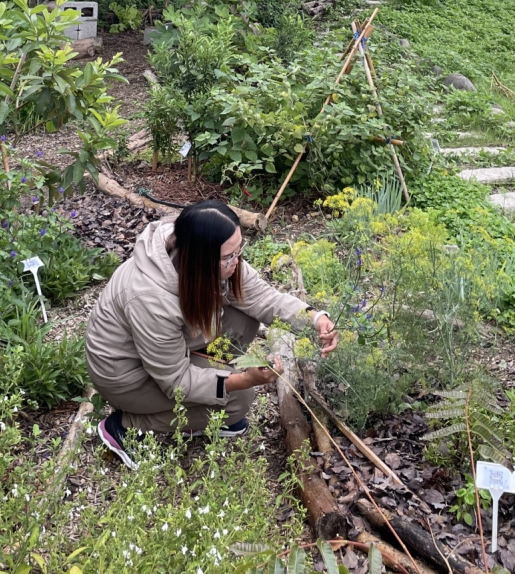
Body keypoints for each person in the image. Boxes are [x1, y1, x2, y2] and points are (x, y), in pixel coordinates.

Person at [85, 198, 338, 467]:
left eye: (239, 249)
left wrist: (315, 318)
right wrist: (242, 380)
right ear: (201, 260)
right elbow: (176, 381)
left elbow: (263, 298)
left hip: (158, 354)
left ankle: (205, 400)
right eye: (229, 256)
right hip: (125, 375)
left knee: (244, 320)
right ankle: (124, 426)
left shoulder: (196, 248)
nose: (237, 261)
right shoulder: (150, 298)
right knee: (239, 399)